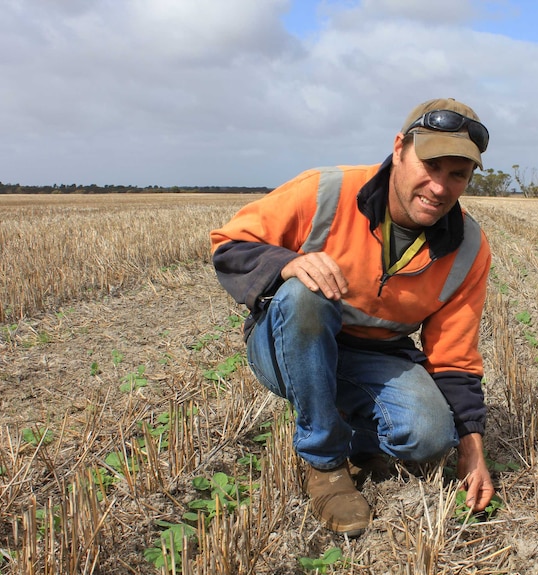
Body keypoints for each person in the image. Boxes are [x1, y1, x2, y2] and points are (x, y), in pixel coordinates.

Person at [210, 98, 495, 537]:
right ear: (399, 148)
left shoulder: (468, 247)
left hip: (376, 355)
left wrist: (472, 447)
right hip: (289, 339)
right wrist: (285, 264)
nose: (440, 187)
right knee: (307, 292)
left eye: (457, 174)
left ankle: (353, 428)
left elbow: (454, 357)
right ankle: (323, 461)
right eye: (431, 165)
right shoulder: (325, 191)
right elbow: (229, 245)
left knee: (431, 437)